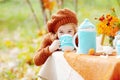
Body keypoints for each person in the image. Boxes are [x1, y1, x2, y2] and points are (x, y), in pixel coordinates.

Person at [33, 8, 84, 80]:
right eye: (61, 32)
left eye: (69, 31)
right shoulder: (49, 39)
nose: (65, 35)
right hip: (55, 74)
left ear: (75, 31)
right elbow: (36, 61)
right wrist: (50, 49)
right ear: (56, 32)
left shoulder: (77, 38)